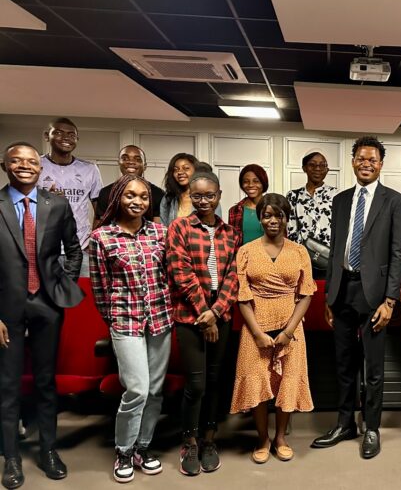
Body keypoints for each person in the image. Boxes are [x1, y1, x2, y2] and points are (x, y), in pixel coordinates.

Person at [311, 136, 401, 459]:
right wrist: (328, 296)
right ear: (353, 161)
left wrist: (390, 301)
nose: (366, 164)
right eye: (361, 159)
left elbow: (398, 255)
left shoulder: (395, 202)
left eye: (373, 160)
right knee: (343, 363)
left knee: (374, 367)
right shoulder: (340, 201)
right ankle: (344, 423)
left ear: (381, 164)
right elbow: (336, 247)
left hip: (375, 295)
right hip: (341, 291)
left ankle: (371, 427)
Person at [0, 142, 84, 489]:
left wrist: (62, 285)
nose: (24, 166)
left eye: (31, 162)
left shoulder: (57, 204)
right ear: (5, 165)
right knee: (7, 386)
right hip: (6, 311)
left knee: (47, 383)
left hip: (47, 304)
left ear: (40, 168)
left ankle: (49, 450)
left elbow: (74, 249)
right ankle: (12, 458)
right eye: (16, 161)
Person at [89, 174, 171, 483]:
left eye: (144, 197)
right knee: (136, 388)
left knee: (155, 390)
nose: (137, 201)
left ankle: (143, 447)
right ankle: (123, 450)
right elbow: (100, 288)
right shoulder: (102, 238)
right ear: (117, 199)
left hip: (161, 318)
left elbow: (169, 275)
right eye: (130, 196)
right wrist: (113, 319)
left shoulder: (161, 233)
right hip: (126, 321)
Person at [231, 194, 316, 464]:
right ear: (260, 218)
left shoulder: (299, 251)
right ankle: (262, 438)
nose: (273, 220)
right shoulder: (245, 251)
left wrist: (289, 331)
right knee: (257, 383)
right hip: (255, 327)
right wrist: (257, 333)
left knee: (287, 382)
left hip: (290, 327)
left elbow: (306, 294)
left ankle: (280, 437)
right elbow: (242, 296)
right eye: (267, 215)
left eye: (278, 215)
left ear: (286, 218)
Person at [166, 172, 238, 476]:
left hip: (220, 314)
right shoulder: (179, 228)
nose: (203, 201)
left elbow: (235, 275)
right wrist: (204, 312)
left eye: (209, 195)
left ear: (219, 195)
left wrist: (217, 311)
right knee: (196, 383)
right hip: (189, 314)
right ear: (189, 198)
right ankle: (190, 440)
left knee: (215, 380)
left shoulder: (230, 232)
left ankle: (210, 438)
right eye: (197, 196)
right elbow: (179, 271)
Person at [39, 117, 103, 275]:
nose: (66, 138)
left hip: (80, 250)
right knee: (44, 298)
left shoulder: (90, 169)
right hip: (43, 250)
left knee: (82, 298)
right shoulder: (35, 165)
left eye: (71, 134)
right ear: (47, 136)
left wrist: (92, 241)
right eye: (59, 133)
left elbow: (101, 210)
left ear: (77, 139)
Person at [285, 153, 336, 278]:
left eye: (322, 165)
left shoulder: (337, 195)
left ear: (327, 170)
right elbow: (290, 229)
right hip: (300, 260)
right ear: (304, 168)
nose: (317, 169)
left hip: (328, 260)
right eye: (312, 165)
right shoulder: (293, 196)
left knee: (326, 296)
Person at [94, 145, 165, 228]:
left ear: (145, 165)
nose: (130, 162)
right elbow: (100, 225)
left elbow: (158, 229)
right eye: (125, 158)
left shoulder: (158, 194)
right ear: (119, 163)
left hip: (147, 240)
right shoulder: (106, 192)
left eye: (137, 159)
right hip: (113, 239)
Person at [160, 154, 222, 227]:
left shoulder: (209, 198)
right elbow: (163, 228)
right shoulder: (168, 198)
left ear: (196, 170)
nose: (180, 172)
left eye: (186, 168)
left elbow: (216, 226)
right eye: (176, 169)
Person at [228, 164, 268, 246]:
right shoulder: (234, 211)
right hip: (243, 257)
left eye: (256, 181)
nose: (250, 185)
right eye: (246, 181)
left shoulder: (274, 208)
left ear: (263, 183)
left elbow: (282, 238)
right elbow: (232, 242)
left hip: (270, 258)